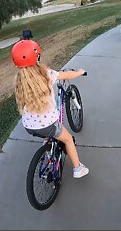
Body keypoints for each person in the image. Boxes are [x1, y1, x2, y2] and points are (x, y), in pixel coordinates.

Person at [11, 39, 89, 178]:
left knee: (47, 135)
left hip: (29, 126)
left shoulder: (19, 79)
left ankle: (49, 153)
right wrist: (79, 72)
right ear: (37, 57)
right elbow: (66, 75)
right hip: (48, 124)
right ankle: (78, 169)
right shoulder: (45, 74)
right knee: (68, 139)